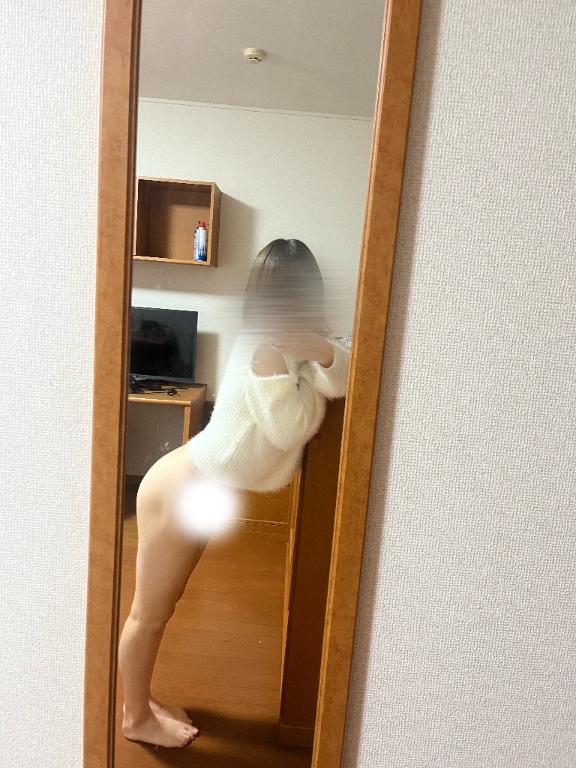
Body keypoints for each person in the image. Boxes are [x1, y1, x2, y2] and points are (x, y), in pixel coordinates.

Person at [119, 238, 350, 748]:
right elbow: (290, 430)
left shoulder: (296, 346)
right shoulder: (262, 348)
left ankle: (141, 700)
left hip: (201, 489)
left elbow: (345, 377)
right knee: (149, 613)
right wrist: (314, 350)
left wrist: (318, 347)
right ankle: (135, 717)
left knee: (163, 607)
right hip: (181, 488)